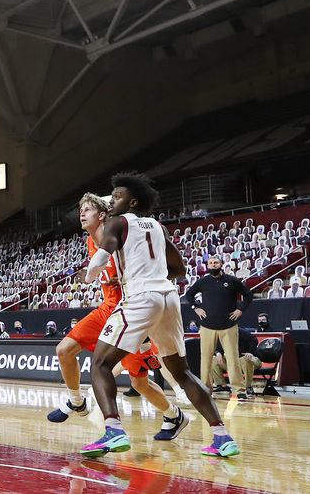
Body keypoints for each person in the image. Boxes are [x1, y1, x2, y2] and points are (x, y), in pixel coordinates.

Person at [82, 172, 238, 458]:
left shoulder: (118, 221)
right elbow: (179, 269)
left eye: (118, 196)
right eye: (113, 196)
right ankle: (222, 436)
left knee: (101, 364)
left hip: (141, 297)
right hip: (168, 297)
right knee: (182, 372)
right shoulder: (157, 226)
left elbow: (104, 253)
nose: (113, 200)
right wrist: (146, 270)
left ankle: (113, 431)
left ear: (134, 201)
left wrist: (89, 274)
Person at [49, 193, 187, 440]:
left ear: (102, 215)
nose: (82, 214)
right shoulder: (91, 242)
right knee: (64, 350)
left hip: (132, 311)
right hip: (106, 310)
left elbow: (150, 267)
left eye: (88, 209)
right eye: (81, 209)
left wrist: (125, 278)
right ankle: (76, 401)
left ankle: (174, 414)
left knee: (139, 384)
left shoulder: (120, 235)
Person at [184, 255, 254, 401]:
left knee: (233, 358)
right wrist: (196, 307)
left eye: (216, 262)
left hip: (228, 326)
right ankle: (206, 389)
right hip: (207, 326)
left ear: (221, 264)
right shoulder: (203, 282)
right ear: (207, 266)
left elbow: (248, 294)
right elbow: (189, 295)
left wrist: (240, 310)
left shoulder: (232, 280)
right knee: (206, 359)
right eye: (210, 263)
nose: (213, 265)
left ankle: (239, 390)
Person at [211, 327, 261, 396]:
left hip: (251, 358)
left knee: (246, 359)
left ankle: (248, 386)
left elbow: (253, 339)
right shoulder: (221, 333)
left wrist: (249, 352)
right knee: (213, 359)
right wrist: (218, 353)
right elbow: (218, 346)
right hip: (235, 360)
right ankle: (222, 386)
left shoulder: (239, 331)